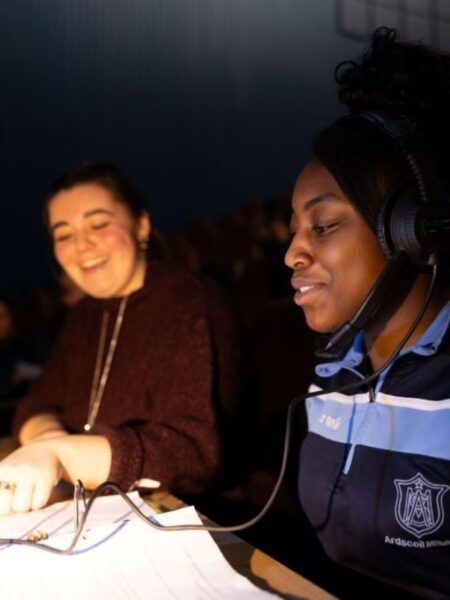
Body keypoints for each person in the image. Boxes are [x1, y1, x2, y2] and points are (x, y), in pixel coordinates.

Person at [284, 28, 450, 598]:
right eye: (294, 232)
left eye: (323, 226)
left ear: (411, 230)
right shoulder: (334, 372)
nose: (291, 254)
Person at [0, 162, 252, 516]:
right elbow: (37, 403)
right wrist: (47, 444)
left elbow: (194, 452)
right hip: (92, 509)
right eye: (63, 234)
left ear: (142, 225)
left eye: (99, 224)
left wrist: (63, 455)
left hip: (198, 518)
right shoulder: (86, 313)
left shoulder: (192, 302)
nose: (82, 244)